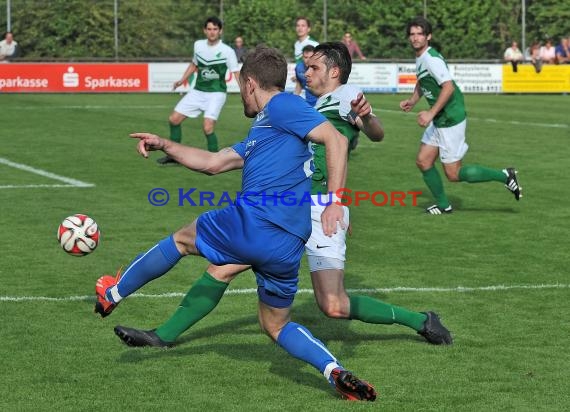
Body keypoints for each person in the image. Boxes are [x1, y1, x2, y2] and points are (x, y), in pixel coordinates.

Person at [104, 41, 452, 359]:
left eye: (313, 67)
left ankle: (421, 320)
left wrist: (367, 117)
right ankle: (162, 335)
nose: (306, 72)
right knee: (222, 267)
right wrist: (168, 145)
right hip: (287, 211)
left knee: (333, 304)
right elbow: (218, 161)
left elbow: (371, 135)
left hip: (323, 210)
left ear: (333, 71)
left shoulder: (345, 94)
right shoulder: (298, 106)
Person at [95, 46, 377, 402]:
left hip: (257, 221)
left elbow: (335, 139)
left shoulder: (282, 106)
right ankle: (333, 370)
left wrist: (334, 201)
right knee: (276, 324)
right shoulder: (267, 127)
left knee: (183, 239)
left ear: (250, 84)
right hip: (287, 244)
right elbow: (214, 162)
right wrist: (167, 144)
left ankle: (113, 293)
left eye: (240, 85)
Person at [399, 16, 522, 215]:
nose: (415, 38)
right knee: (423, 161)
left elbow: (448, 88)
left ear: (428, 36)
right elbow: (423, 80)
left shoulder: (431, 59)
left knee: (453, 174)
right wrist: (413, 100)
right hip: (441, 118)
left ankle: (505, 175)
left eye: (419, 34)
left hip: (450, 119)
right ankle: (443, 205)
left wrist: (430, 113)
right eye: (412, 34)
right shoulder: (421, 57)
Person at [157, 16, 240, 164]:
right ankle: (173, 156)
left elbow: (236, 72)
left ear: (220, 31)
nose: (212, 32)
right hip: (198, 91)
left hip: (216, 92)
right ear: (204, 30)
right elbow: (194, 65)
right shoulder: (198, 45)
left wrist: (245, 93)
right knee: (174, 119)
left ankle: (216, 161)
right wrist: (182, 80)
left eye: (215, 29)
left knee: (207, 128)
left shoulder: (227, 51)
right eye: (209, 29)